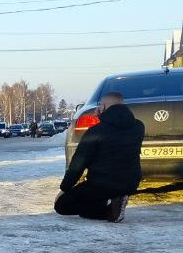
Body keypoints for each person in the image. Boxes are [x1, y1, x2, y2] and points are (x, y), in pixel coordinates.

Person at [54, 92, 144, 223]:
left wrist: (65, 188)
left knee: (61, 206)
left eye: (100, 105)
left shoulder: (96, 131)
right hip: (131, 183)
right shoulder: (139, 127)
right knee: (89, 208)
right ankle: (116, 202)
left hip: (101, 184)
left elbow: (78, 163)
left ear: (104, 106)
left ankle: (110, 210)